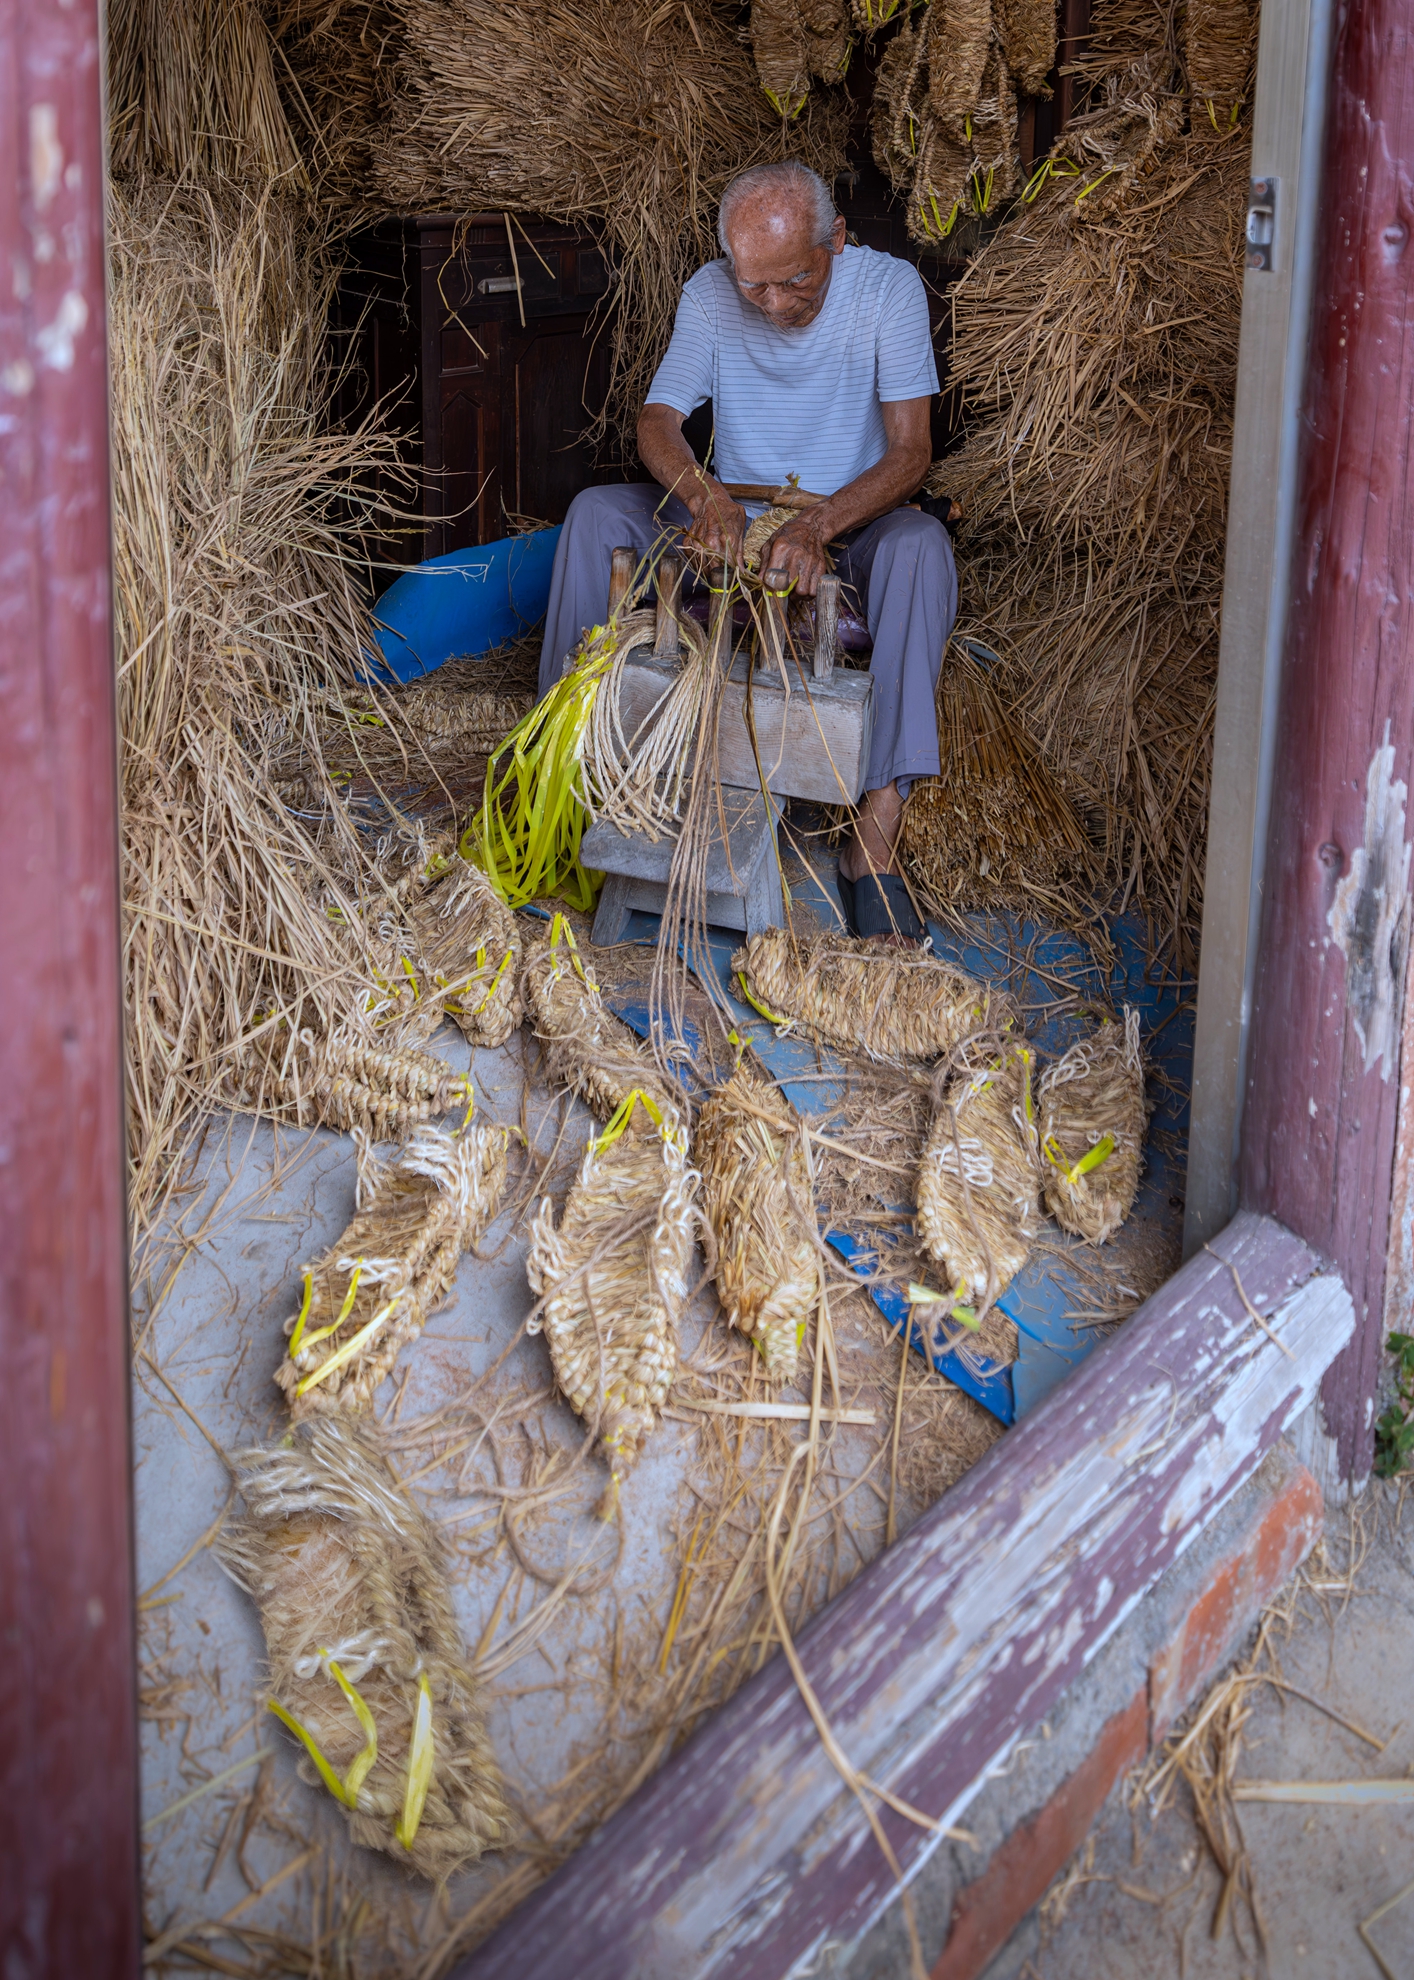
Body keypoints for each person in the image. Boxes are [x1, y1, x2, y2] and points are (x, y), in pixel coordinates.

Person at [538, 159, 957, 940]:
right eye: (753, 285)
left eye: (795, 280)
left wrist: (817, 526)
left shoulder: (887, 290)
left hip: (845, 524)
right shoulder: (708, 293)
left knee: (922, 548)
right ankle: (558, 785)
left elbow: (911, 453)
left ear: (836, 238)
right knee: (595, 516)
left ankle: (875, 839)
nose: (773, 304)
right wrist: (707, 498)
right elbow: (657, 423)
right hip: (730, 522)